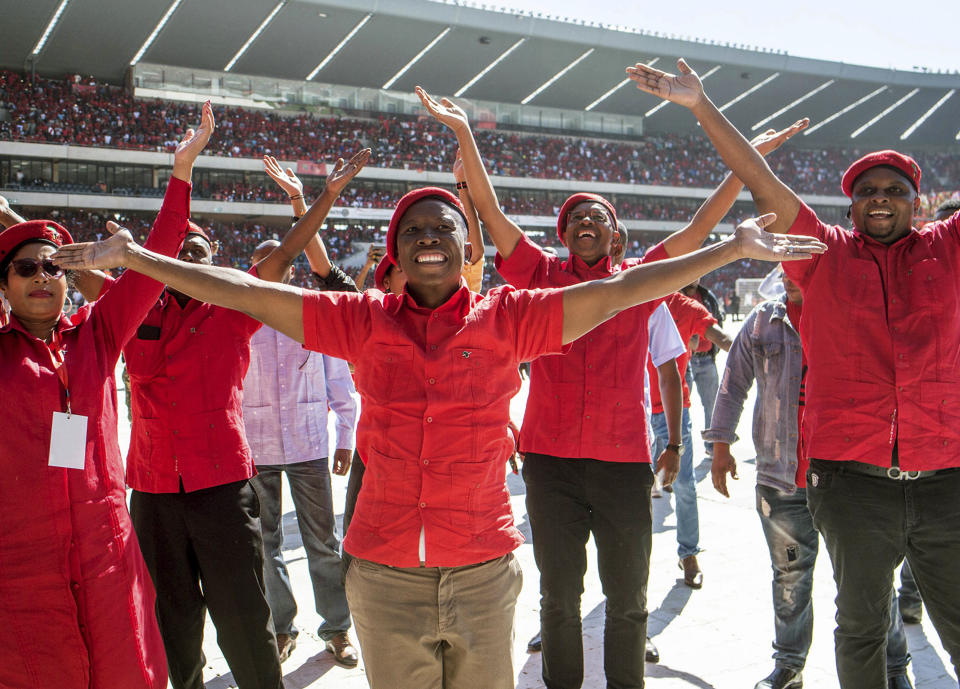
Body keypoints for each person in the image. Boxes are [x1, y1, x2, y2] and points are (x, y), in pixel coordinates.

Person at [54, 181, 823, 689]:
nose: (428, 236)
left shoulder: (510, 319)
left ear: (466, 251)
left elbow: (622, 288)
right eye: (413, 228)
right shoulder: (360, 323)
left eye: (443, 228)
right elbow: (249, 289)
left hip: (484, 573)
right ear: (397, 250)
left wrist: (728, 251)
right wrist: (138, 260)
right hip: (384, 579)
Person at [414, 85, 807, 689]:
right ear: (564, 235)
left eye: (597, 215)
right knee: (558, 597)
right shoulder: (541, 278)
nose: (584, 222)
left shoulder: (638, 283)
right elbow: (491, 216)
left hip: (624, 463)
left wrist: (742, 162)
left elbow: (702, 229)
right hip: (550, 466)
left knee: (628, 599)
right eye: (573, 218)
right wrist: (466, 130)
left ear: (616, 235)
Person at [628, 56, 960, 688]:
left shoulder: (948, 249)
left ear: (917, 204)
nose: (881, 200)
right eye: (867, 192)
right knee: (860, 626)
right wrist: (701, 106)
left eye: (894, 191)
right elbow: (758, 177)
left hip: (947, 479)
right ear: (851, 206)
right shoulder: (822, 254)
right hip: (852, 484)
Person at [86, 147, 370, 689]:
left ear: (214, 254)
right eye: (178, 252)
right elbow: (70, 270)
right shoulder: (134, 307)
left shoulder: (236, 307)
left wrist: (325, 195)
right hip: (152, 492)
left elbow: (288, 250)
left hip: (221, 486)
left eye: (197, 251)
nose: (188, 260)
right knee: (172, 618)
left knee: (243, 617)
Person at [0, 101, 210, 689]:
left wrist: (181, 171)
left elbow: (154, 265)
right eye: (24, 268)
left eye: (52, 266)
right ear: (5, 286)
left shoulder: (97, 332)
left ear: (69, 276)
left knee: (124, 671)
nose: (41, 276)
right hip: (22, 557)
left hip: (106, 546)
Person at [706, 269, 913, 689]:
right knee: (789, 578)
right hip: (781, 482)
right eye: (785, 267)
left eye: (802, 266)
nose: (790, 275)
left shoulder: (850, 316)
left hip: (848, 480)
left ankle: (893, 669)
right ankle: (789, 666)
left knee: (869, 581)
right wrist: (721, 445)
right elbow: (732, 383)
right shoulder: (764, 321)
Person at [243, 159, 360, 666]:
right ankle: (281, 627)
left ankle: (336, 628)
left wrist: (345, 438)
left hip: (312, 444)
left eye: (279, 264)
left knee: (322, 542)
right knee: (265, 545)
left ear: (291, 269)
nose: (270, 272)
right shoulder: (238, 318)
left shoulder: (314, 312)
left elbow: (340, 380)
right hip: (257, 447)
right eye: (260, 265)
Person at [646, 288, 729, 587]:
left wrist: (749, 352)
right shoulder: (633, 291)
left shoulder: (687, 307)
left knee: (684, 486)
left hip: (674, 414)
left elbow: (719, 336)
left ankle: (689, 554)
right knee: (631, 491)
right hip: (632, 409)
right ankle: (632, 566)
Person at [680, 278, 725, 456]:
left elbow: (718, 320)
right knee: (681, 406)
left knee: (712, 405)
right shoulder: (678, 297)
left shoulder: (707, 297)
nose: (693, 278)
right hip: (685, 361)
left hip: (706, 359)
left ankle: (711, 446)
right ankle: (679, 448)